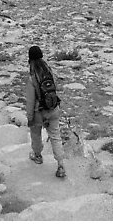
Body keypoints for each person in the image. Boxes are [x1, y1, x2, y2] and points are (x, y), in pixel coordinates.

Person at [25, 46, 66, 178]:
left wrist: (30, 118)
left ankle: (37, 156)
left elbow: (30, 101)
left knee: (36, 135)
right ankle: (61, 165)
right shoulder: (49, 71)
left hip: (39, 112)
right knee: (55, 136)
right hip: (53, 108)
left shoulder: (32, 77)